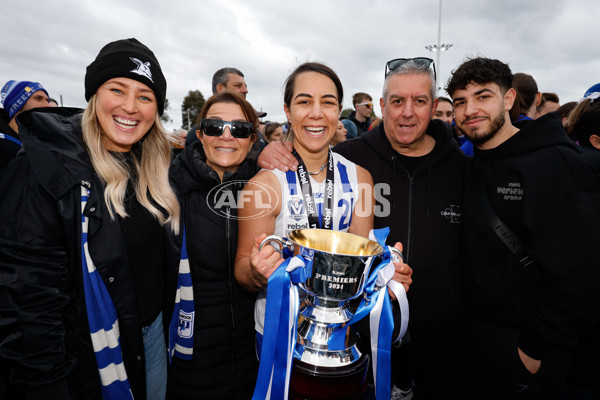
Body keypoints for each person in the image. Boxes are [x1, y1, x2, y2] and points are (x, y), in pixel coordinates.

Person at [257, 57, 468, 400]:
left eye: (419, 101)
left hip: (440, 343)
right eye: (397, 101)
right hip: (362, 339)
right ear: (382, 105)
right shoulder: (352, 157)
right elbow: (306, 159)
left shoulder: (462, 166)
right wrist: (268, 151)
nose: (407, 112)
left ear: (433, 106)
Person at [0, 38, 180, 400]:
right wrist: (48, 384)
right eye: (117, 89)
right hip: (86, 356)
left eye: (145, 96)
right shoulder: (43, 168)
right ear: (94, 94)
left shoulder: (156, 166)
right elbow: (26, 299)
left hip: (154, 337)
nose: (131, 107)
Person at [235, 61, 412, 399]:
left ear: (338, 110)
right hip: (281, 337)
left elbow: (362, 260)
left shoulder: (360, 179)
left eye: (328, 102)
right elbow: (243, 270)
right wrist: (258, 272)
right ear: (287, 110)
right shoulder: (264, 185)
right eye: (304, 101)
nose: (316, 113)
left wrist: (387, 273)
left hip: (342, 338)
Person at [446, 56, 600, 399]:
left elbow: (583, 274)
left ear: (510, 98)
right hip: (474, 343)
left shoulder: (556, 164)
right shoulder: (472, 163)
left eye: (483, 96)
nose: (470, 109)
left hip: (529, 350)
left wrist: (533, 348)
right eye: (460, 102)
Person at [167, 92, 260, 400]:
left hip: (255, 355)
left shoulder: (268, 188)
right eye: (214, 126)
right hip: (191, 361)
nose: (227, 136)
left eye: (240, 129)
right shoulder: (168, 188)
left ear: (251, 140)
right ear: (200, 135)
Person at [0, 80, 51, 173]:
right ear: (18, 104)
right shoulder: (3, 144)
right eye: (38, 98)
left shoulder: (44, 144)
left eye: (47, 100)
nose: (47, 105)